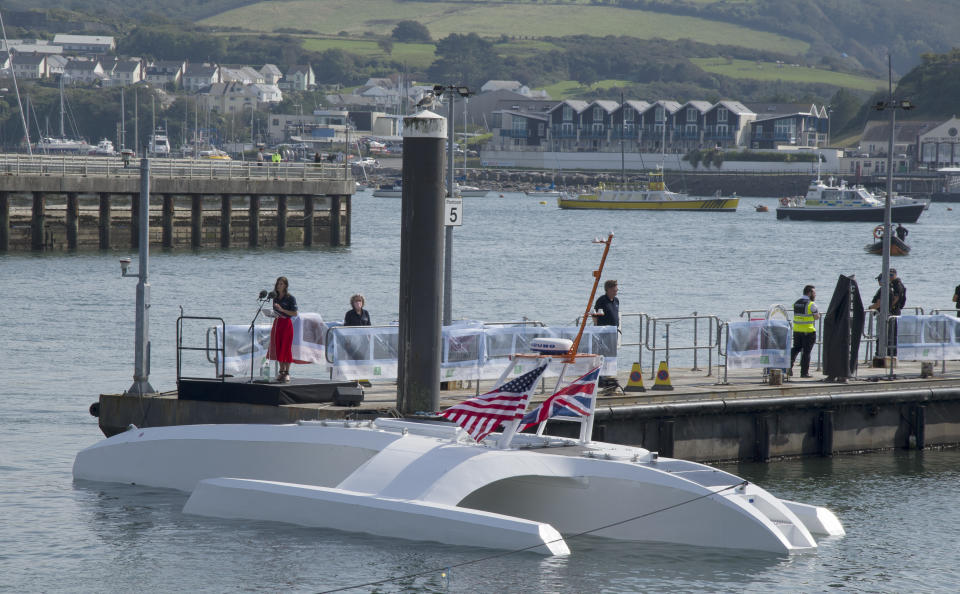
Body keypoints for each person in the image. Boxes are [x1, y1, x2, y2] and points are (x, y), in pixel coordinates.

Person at [869, 268, 906, 357]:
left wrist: (870, 308)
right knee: (890, 335)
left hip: (889, 313)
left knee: (883, 335)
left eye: (879, 279)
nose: (878, 282)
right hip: (891, 312)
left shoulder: (893, 286)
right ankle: (890, 353)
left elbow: (881, 302)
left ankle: (881, 353)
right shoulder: (891, 287)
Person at [269, 276, 298, 382]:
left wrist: (282, 309)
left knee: (286, 348)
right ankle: (281, 371)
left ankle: (287, 372)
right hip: (277, 323)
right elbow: (275, 311)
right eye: (278, 283)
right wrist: (271, 313)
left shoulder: (290, 298)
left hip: (286, 324)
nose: (279, 286)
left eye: (281, 284)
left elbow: (294, 313)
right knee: (279, 347)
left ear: (285, 285)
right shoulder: (275, 297)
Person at [592, 280, 620, 389]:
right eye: (614, 290)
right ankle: (600, 378)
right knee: (602, 356)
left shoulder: (616, 301)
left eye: (616, 290)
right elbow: (595, 316)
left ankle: (608, 376)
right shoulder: (602, 301)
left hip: (613, 333)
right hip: (603, 333)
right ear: (608, 289)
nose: (616, 292)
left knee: (611, 356)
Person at [789, 285, 820, 378]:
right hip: (808, 331)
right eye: (814, 292)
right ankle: (804, 373)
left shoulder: (796, 303)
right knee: (806, 352)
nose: (815, 294)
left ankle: (788, 366)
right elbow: (816, 317)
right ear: (809, 293)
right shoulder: (811, 304)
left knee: (795, 349)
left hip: (797, 330)